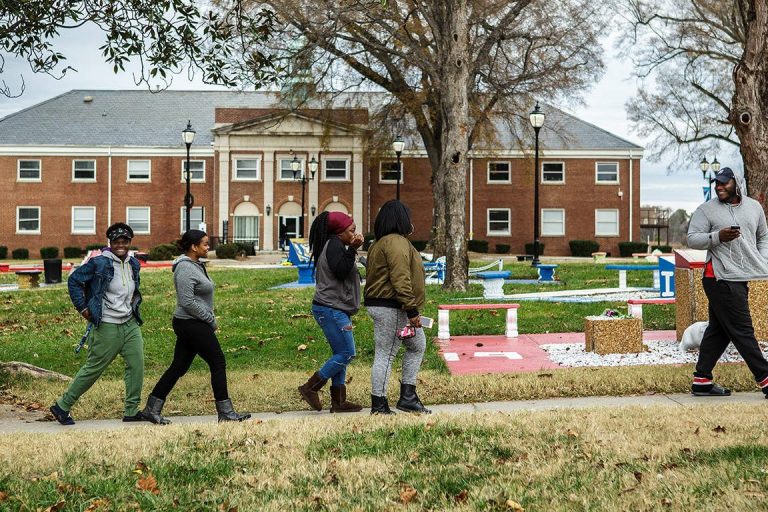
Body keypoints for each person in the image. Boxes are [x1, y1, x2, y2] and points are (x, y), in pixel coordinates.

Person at [141, 230, 251, 424]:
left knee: (179, 367)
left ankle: (152, 409)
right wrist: (210, 319)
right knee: (217, 362)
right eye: (205, 244)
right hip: (190, 323)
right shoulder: (185, 268)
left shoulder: (195, 265)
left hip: (192, 322)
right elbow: (187, 301)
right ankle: (225, 412)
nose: (208, 247)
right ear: (194, 247)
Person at [50, 222, 146, 425]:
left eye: (125, 241)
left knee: (136, 366)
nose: (121, 244)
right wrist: (84, 309)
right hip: (107, 325)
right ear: (110, 243)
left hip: (130, 324)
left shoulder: (133, 264)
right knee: (94, 368)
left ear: (129, 242)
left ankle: (131, 410)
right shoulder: (100, 263)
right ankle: (62, 406)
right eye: (116, 241)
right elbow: (74, 280)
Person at [687, 166, 768, 398]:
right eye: (717, 183)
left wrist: (763, 258)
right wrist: (717, 237)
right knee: (743, 331)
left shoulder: (754, 207)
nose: (719, 186)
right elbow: (692, 239)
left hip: (741, 276)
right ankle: (765, 378)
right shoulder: (707, 210)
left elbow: (763, 236)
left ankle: (702, 380)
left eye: (724, 182)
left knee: (720, 330)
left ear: (737, 183)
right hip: (719, 277)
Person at [364, 200, 431, 414]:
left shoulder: (380, 243)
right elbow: (400, 278)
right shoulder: (396, 243)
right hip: (392, 307)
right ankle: (379, 404)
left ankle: (408, 396)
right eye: (408, 218)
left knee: (417, 345)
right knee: (386, 353)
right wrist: (412, 311)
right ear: (401, 220)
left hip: (389, 305)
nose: (410, 223)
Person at [297, 211, 365, 413]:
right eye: (351, 230)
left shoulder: (335, 245)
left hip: (333, 308)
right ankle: (310, 387)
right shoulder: (335, 245)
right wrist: (353, 249)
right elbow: (341, 270)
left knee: (340, 353)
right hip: (331, 309)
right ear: (339, 232)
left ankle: (339, 401)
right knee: (347, 353)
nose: (355, 234)